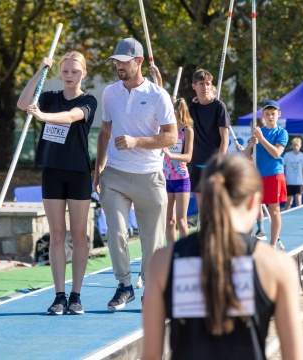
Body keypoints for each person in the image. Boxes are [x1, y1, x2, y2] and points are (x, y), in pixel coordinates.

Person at [141, 154, 303, 360]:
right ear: (254, 201)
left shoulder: (162, 261)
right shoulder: (277, 265)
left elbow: (150, 355)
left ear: (203, 196)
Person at [94, 38, 177, 311]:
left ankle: (151, 290)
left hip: (149, 176)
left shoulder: (158, 96)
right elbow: (105, 131)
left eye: (123, 61)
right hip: (114, 175)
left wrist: (136, 142)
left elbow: (171, 137)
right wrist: (99, 168)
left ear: (139, 61)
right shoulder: (109, 93)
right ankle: (124, 286)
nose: (118, 65)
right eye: (116, 61)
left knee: (152, 241)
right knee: (116, 233)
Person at [16, 52, 97, 315]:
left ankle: (76, 295)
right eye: (65, 71)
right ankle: (59, 295)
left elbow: (72, 116)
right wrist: (41, 69)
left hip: (78, 173)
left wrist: (44, 117)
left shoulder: (88, 101)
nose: (69, 75)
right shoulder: (49, 97)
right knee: (57, 235)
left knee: (78, 235)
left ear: (83, 73)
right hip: (52, 171)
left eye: (74, 71)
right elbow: (23, 103)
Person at [147, 65, 194, 244]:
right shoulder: (163, 128)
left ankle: (185, 252)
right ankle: (172, 252)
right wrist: (157, 76)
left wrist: (170, 154)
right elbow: (158, 95)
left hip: (181, 177)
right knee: (169, 221)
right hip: (165, 178)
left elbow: (188, 157)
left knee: (181, 220)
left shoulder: (187, 131)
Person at [243, 100, 288, 248]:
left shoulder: (281, 132)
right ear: (263, 115)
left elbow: (276, 154)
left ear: (278, 115)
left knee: (273, 210)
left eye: (273, 114)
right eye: (267, 114)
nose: (270, 117)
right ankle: (249, 242)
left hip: (274, 175)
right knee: (251, 208)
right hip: (257, 176)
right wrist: (251, 144)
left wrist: (261, 139)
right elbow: (245, 156)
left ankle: (272, 244)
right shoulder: (258, 132)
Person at [188, 69, 230, 202]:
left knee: (216, 204)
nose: (205, 87)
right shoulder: (191, 108)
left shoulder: (219, 107)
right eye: (201, 83)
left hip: (214, 163)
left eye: (208, 83)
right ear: (194, 86)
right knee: (202, 206)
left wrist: (219, 162)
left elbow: (225, 138)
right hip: (196, 163)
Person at [283, 137, 303, 210]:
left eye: (297, 145)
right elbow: (282, 166)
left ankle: (299, 217)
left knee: (298, 200)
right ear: (292, 145)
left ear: (300, 145)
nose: (296, 147)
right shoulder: (287, 155)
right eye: (294, 145)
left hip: (299, 182)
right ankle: (286, 214)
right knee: (289, 202)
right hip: (289, 182)